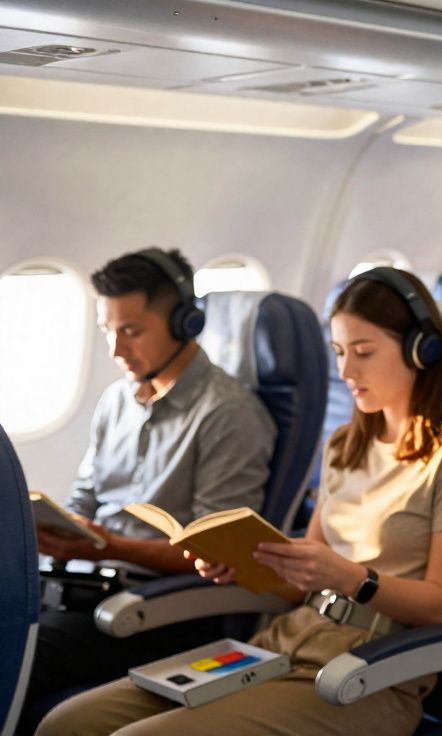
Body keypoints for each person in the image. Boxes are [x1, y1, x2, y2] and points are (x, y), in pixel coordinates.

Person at [38, 267, 442, 735]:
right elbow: (305, 582)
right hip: (288, 638)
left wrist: (350, 577)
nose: (345, 372)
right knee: (69, 723)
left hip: (371, 668)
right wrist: (247, 564)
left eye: (363, 353)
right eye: (339, 353)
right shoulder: (345, 444)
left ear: (421, 350)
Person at [19, 248, 275, 733]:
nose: (116, 350)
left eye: (132, 331)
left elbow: (222, 553)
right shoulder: (117, 400)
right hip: (85, 583)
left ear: (185, 322)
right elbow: (84, 501)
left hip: (156, 609)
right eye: (108, 331)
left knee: (19, 651)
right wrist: (57, 528)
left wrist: (109, 546)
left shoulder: (228, 415)